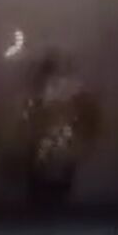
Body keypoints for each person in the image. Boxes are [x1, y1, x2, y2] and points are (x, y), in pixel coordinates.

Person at [19, 50, 101, 206]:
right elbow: (29, 124)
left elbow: (87, 122)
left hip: (58, 151)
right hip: (47, 154)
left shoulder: (73, 99)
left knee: (54, 186)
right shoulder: (39, 100)